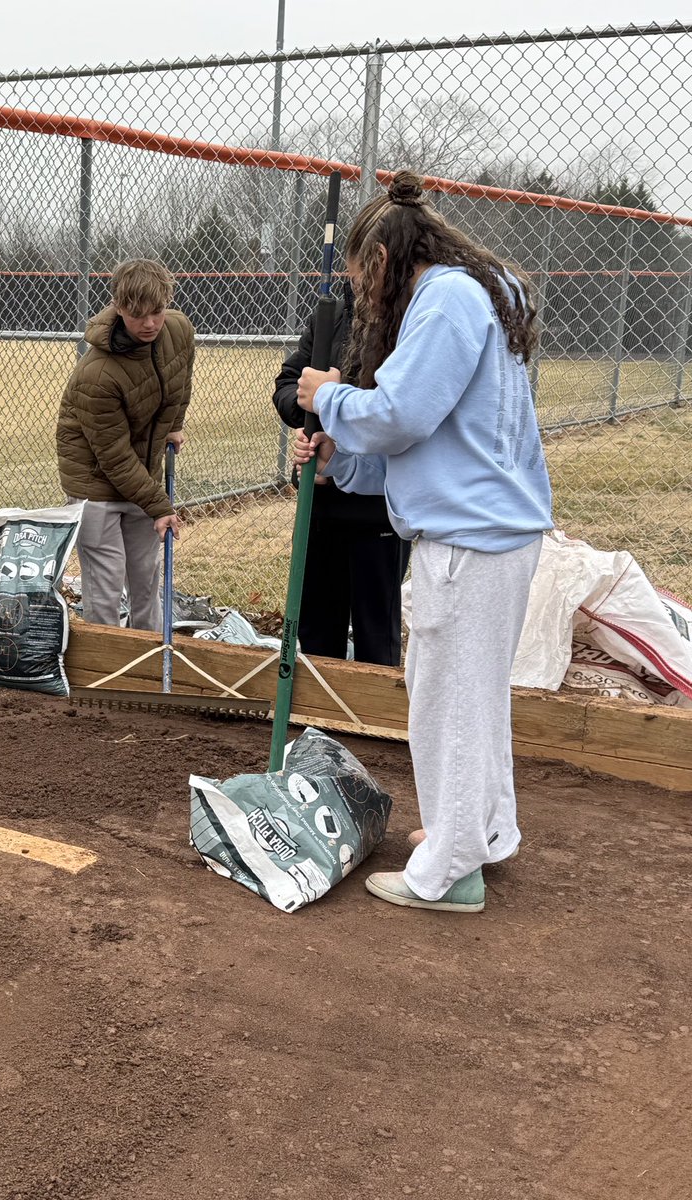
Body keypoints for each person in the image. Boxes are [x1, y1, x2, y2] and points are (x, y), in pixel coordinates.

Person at [294, 171, 553, 914]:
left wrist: (327, 399)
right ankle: (479, 833)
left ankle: (448, 870)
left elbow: (400, 414)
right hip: (492, 531)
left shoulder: (443, 299)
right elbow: (432, 433)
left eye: (359, 276)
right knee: (474, 700)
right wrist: (341, 453)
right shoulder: (481, 290)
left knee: (446, 704)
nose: (362, 295)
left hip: (467, 541)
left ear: (381, 259)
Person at [56, 259, 194, 632]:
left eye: (157, 312)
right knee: (106, 582)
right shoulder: (97, 375)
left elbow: (181, 378)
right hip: (96, 481)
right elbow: (114, 458)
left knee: (146, 577)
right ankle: (106, 666)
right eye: (137, 315)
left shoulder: (178, 330)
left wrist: (174, 424)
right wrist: (159, 506)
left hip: (142, 473)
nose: (149, 324)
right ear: (119, 308)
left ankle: (147, 660)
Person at [272, 294, 411, 665]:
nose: (360, 280)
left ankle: (370, 716)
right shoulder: (329, 317)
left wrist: (334, 402)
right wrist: (308, 414)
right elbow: (289, 382)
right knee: (316, 618)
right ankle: (317, 714)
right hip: (321, 498)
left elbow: (394, 411)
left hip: (376, 508)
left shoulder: (408, 319)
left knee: (376, 625)